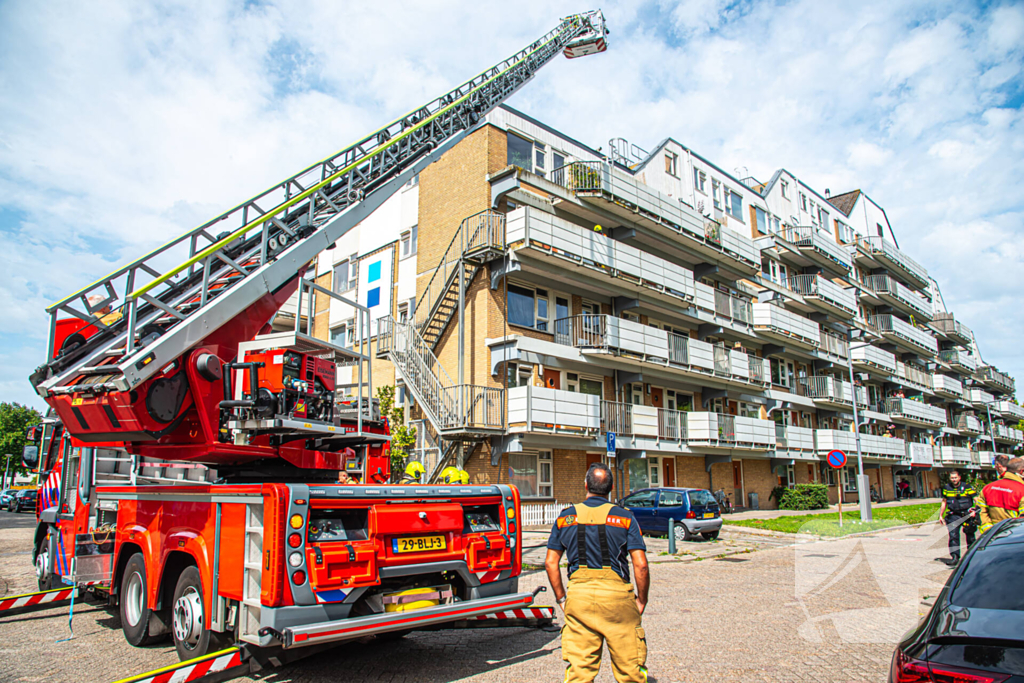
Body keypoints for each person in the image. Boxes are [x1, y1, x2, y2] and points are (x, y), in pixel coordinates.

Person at [545, 463, 649, 683]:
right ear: (610, 489)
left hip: (579, 600)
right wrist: (641, 600)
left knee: (579, 675)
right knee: (630, 671)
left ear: (585, 485)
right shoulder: (625, 517)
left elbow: (550, 563)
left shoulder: (565, 518)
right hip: (618, 601)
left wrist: (561, 598)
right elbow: (641, 565)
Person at [937, 470, 977, 565]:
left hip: (967, 514)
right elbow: (944, 502)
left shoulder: (967, 486)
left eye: (955, 477)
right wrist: (940, 515)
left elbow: (976, 499)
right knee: (953, 536)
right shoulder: (947, 487)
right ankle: (955, 557)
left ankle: (971, 556)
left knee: (970, 535)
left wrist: (975, 511)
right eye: (952, 478)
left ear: (959, 478)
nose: (954, 479)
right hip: (954, 514)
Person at [976, 457, 1024, 534]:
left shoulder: (987, 488)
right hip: (1015, 536)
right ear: (1022, 471)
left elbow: (980, 513)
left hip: (992, 537)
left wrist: (989, 532)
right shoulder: (1021, 490)